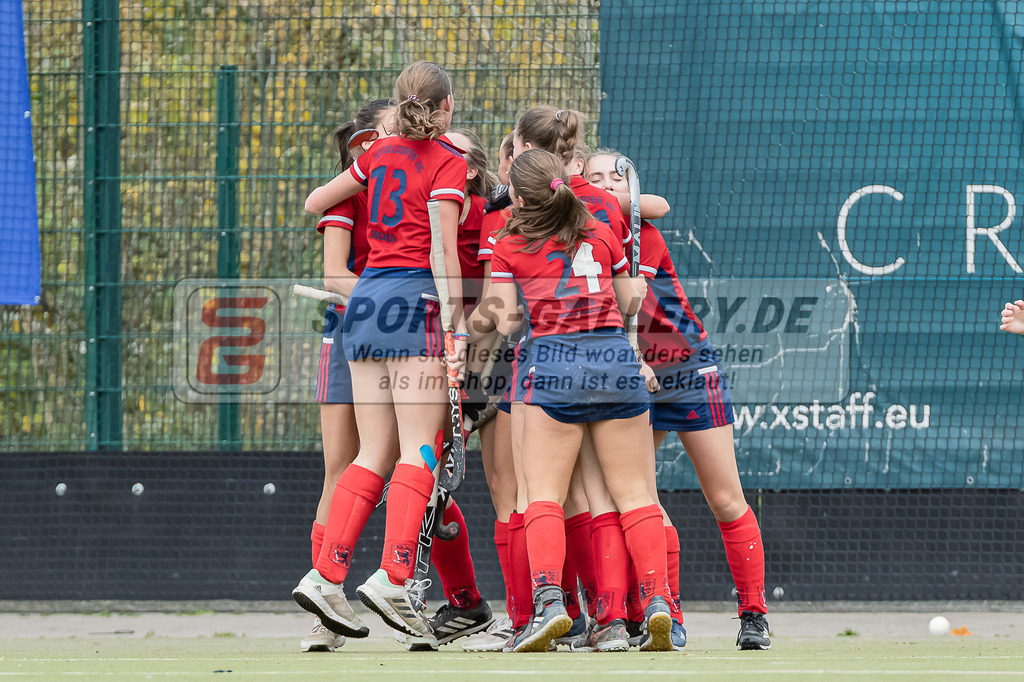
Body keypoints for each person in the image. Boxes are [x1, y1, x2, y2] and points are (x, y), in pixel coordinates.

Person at [293, 60, 469, 640]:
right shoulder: (448, 162)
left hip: (364, 308)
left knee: (370, 453)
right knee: (417, 450)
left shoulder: (373, 156)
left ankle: (325, 576)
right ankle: (394, 576)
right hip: (413, 305)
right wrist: (455, 327)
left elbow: (317, 199)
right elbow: (445, 252)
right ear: (446, 107)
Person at [485, 148, 675, 653]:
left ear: (521, 198)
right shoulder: (602, 229)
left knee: (544, 494)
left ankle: (550, 604)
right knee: (636, 495)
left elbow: (504, 321)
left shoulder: (508, 242)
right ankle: (657, 601)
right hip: (615, 361)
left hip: (553, 367)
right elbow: (632, 300)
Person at [586, 149, 772, 651]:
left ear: (631, 185)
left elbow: (656, 204)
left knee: (725, 496)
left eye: (616, 177)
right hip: (633, 378)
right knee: (640, 499)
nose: (607, 186)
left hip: (686, 367)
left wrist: (615, 199)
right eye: (595, 178)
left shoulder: (642, 230)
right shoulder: (581, 241)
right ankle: (667, 614)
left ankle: (754, 614)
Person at [298, 99, 392, 651]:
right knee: (341, 469)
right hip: (350, 337)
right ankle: (326, 609)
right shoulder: (348, 196)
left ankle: (414, 595)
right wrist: (391, 294)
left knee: (416, 472)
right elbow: (336, 275)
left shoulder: (425, 188)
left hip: (412, 340)